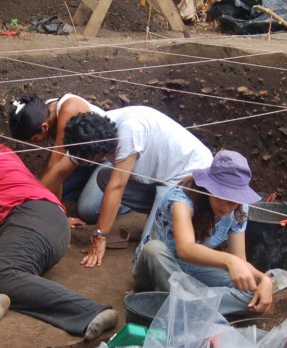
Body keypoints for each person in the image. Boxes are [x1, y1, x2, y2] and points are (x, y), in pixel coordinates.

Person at [0, 126, 119, 339]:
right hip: (26, 225)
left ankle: (90, 312)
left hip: (31, 216)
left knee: (4, 273)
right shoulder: (5, 153)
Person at [47, 106, 213, 268]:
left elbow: (117, 186)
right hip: (156, 177)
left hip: (187, 176)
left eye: (86, 160)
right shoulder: (87, 136)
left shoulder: (129, 132)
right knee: (103, 179)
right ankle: (156, 211)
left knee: (147, 252)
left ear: (99, 151)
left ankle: (175, 216)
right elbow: (58, 172)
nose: (82, 163)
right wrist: (32, 202)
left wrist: (100, 236)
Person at [133, 151, 274, 316]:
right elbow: (186, 249)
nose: (227, 206)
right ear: (208, 187)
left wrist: (263, 279)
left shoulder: (239, 210)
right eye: (222, 197)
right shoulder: (181, 199)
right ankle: (191, 304)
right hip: (161, 265)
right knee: (153, 249)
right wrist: (229, 261)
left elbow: (240, 262)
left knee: (252, 293)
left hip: (196, 269)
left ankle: (185, 302)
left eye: (233, 201)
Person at [8, 92, 107, 203]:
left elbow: (55, 164)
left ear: (44, 127)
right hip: (84, 159)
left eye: (35, 139)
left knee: (86, 209)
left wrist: (33, 199)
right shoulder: (43, 112)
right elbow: (55, 162)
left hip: (107, 159)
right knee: (56, 189)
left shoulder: (69, 110)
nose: (35, 143)